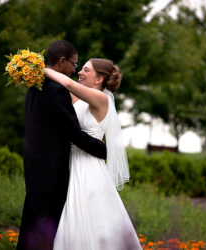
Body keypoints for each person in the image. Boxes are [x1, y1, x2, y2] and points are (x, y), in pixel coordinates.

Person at [17, 40, 107, 250]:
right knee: (44, 224)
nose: (75, 70)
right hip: (50, 169)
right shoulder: (57, 90)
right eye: (74, 64)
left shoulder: (35, 83)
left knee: (31, 220)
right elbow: (73, 132)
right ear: (62, 61)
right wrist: (102, 149)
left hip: (34, 164)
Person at [44, 58, 142, 250]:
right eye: (81, 68)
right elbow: (61, 90)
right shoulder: (79, 99)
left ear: (99, 79)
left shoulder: (101, 99)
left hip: (88, 168)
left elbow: (67, 82)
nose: (80, 72)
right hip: (70, 163)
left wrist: (40, 67)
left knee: (90, 217)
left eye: (86, 70)